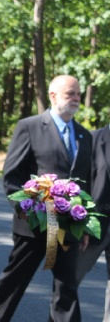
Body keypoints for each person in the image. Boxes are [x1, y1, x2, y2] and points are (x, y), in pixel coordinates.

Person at [0, 75, 92, 322]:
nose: (76, 98)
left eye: (77, 94)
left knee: (67, 287)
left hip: (69, 226)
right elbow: (12, 176)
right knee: (15, 280)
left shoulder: (85, 135)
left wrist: (84, 223)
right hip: (34, 223)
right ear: (53, 96)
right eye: (70, 94)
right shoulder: (30, 126)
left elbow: (87, 181)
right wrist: (27, 209)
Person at [75, 124, 110, 321]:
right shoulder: (92, 138)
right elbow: (79, 183)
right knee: (69, 283)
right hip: (92, 224)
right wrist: (83, 221)